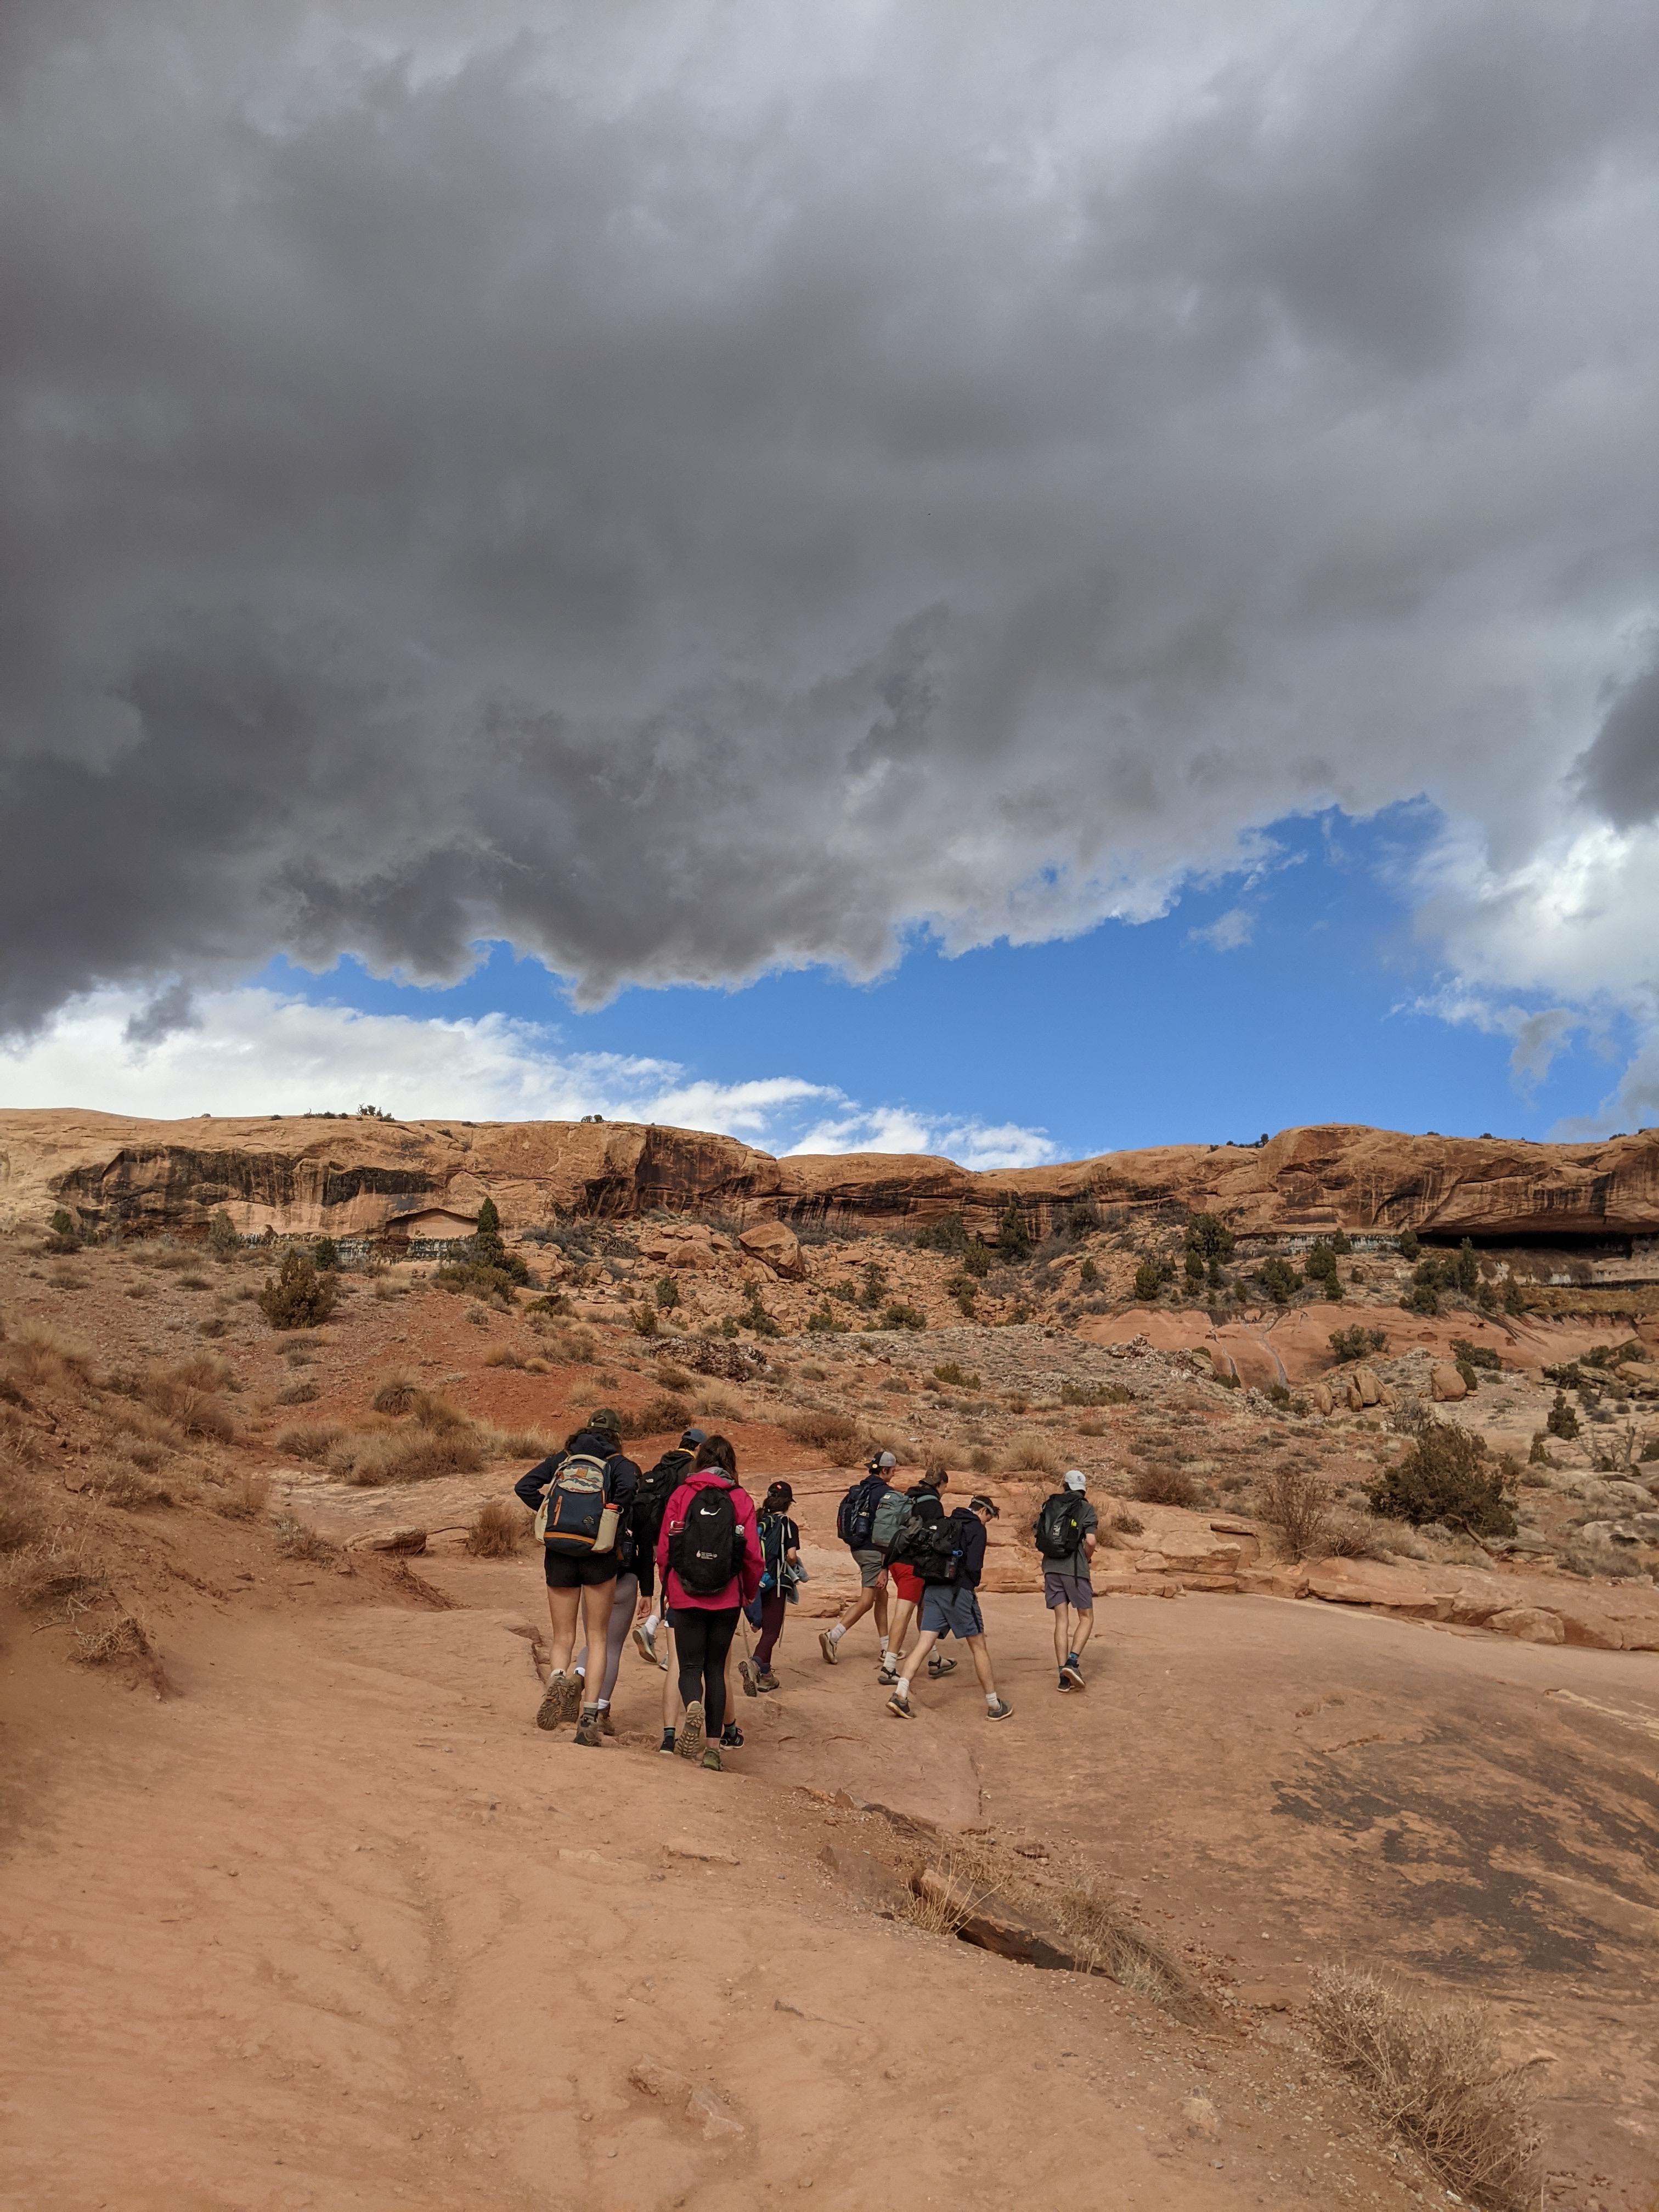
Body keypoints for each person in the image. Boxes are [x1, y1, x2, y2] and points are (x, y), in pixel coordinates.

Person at [515, 1409, 640, 1744]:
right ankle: (588, 1719)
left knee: (562, 1637)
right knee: (597, 1638)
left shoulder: (563, 1458)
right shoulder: (621, 1465)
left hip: (558, 1553)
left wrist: (552, 1514)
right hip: (600, 1555)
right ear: (616, 1434)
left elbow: (523, 1486)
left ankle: (557, 1678)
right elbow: (629, 1498)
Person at [656, 1434, 761, 1770]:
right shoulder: (741, 1498)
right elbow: (752, 1555)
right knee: (716, 1670)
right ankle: (714, 1750)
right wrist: (747, 1591)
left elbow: (665, 1546)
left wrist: (668, 1583)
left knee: (689, 1668)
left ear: (700, 1460)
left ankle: (692, 1707)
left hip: (685, 1593)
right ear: (732, 1463)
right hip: (727, 1595)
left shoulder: (683, 1493)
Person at [885, 1494, 1013, 1723]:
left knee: (925, 1642)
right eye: (989, 1518)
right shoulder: (976, 1528)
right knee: (979, 1646)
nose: (987, 1523)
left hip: (933, 1588)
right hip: (958, 1592)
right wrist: (970, 1585)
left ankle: (900, 1694)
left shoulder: (945, 1522)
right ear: (984, 1512)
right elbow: (974, 1565)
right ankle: (994, 1705)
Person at [819, 1451, 904, 1669]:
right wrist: (886, 1562)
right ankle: (833, 1637)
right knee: (868, 1599)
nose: (894, 1475)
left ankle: (885, 1647)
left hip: (857, 1548)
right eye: (893, 1471)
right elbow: (887, 1530)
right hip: (873, 1552)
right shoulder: (886, 1493)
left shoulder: (861, 1488)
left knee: (881, 1596)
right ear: (884, 1470)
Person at [632, 1428, 707, 1666]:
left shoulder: (663, 1465)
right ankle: (671, 1652)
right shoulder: (692, 1470)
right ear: (698, 1448)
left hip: (656, 1538)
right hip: (682, 1537)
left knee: (672, 1585)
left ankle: (651, 1627)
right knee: (683, 1590)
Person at [878, 1464, 952, 1689]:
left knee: (923, 1607)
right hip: (913, 1566)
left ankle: (935, 1659)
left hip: (896, 1560)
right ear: (941, 1485)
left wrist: (884, 1565)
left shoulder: (908, 1497)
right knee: (904, 1612)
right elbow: (933, 1538)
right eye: (946, 1487)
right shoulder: (933, 1504)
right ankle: (889, 1667)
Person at [1035, 1469, 1099, 1692]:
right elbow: (1090, 1541)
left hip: (1051, 1568)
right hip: (1074, 1569)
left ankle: (1063, 1676)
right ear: (1083, 1489)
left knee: (1061, 1622)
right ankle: (1072, 1662)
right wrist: (1087, 1559)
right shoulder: (1085, 1508)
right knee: (1086, 1617)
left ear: (1064, 1485)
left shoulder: (1050, 1504)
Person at [741, 1481, 801, 1692]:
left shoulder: (757, 1520)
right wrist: (791, 1563)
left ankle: (765, 1675)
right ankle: (755, 1665)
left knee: (766, 1628)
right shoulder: (788, 1524)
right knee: (772, 1631)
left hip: (755, 1580)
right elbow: (792, 1556)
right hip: (777, 1582)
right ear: (787, 1504)